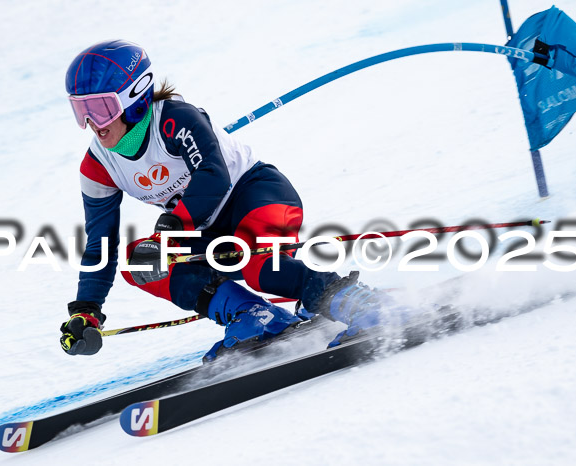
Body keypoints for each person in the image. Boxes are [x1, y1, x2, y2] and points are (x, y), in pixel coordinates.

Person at [59, 40, 403, 358]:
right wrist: (86, 309)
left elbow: (213, 175)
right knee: (142, 262)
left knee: (261, 269)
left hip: (257, 196)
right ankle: (256, 316)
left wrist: (176, 224)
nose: (93, 124)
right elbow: (100, 243)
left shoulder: (175, 119)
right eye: (81, 111)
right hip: (204, 229)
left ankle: (358, 303)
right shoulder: (97, 167)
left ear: (135, 96)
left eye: (101, 108)